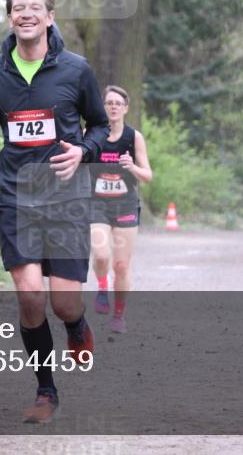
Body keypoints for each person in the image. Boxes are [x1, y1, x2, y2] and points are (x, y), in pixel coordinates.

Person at [0, 0, 109, 424]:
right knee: (28, 296)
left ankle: (77, 326)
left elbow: (99, 127)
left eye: (34, 7)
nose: (26, 13)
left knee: (63, 304)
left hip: (64, 200)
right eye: (17, 8)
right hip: (17, 200)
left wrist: (83, 151)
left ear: (49, 16)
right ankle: (46, 390)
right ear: (10, 18)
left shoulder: (76, 69)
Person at [89, 86, 152, 334]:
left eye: (118, 103)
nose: (113, 106)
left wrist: (132, 167)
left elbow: (147, 175)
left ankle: (118, 315)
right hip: (98, 205)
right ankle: (102, 286)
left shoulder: (134, 138)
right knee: (102, 255)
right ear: (103, 107)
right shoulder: (91, 134)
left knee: (122, 266)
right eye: (109, 103)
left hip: (125, 205)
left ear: (125, 108)